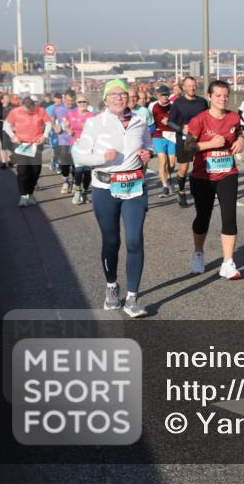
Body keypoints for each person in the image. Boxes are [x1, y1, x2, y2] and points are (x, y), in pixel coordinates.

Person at [72, 79, 153, 318]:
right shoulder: (95, 123)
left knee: (135, 240)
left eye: (123, 94)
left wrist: (147, 153)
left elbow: (147, 145)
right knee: (111, 241)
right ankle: (111, 286)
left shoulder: (140, 121)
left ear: (129, 98)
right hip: (104, 187)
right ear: (106, 99)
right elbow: (79, 155)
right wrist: (101, 157)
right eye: (114, 94)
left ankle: (132, 298)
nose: (119, 98)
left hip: (134, 187)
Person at [183, 80, 244, 279]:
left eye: (225, 95)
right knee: (203, 217)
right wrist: (209, 144)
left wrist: (242, 140)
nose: (222, 99)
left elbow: (240, 133)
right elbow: (188, 148)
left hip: (228, 173)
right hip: (203, 176)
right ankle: (198, 253)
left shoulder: (234, 117)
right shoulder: (199, 120)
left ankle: (227, 263)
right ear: (209, 97)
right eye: (218, 95)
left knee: (229, 216)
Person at [168, 76, 209, 208]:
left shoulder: (202, 102)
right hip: (184, 139)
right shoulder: (178, 103)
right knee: (184, 168)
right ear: (184, 87)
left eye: (194, 85)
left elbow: (208, 117)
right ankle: (181, 192)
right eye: (189, 86)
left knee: (200, 167)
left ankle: (200, 192)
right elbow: (170, 121)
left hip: (199, 139)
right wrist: (181, 129)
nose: (192, 88)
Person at [4, 94, 52, 207]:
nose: (29, 111)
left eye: (31, 109)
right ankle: (23, 196)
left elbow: (49, 123)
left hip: (36, 145)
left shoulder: (40, 110)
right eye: (26, 109)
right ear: (22, 106)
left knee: (35, 171)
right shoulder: (15, 112)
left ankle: (30, 194)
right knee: (23, 171)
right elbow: (6, 125)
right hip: (21, 145)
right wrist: (13, 136)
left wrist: (44, 136)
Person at [66, 94, 96, 205]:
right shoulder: (71, 114)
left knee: (87, 172)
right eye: (80, 102)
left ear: (87, 103)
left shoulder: (92, 115)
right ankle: (77, 190)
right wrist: (68, 130)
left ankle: (84, 192)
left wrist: (88, 128)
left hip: (89, 146)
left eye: (84, 102)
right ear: (76, 103)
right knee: (78, 169)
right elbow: (66, 125)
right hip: (76, 144)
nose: (82, 104)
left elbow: (96, 130)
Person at [150, 86, 178, 197]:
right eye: (162, 95)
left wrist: (170, 121)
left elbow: (178, 119)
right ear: (158, 95)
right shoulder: (153, 106)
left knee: (171, 164)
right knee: (163, 161)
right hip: (158, 135)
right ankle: (165, 185)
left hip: (171, 136)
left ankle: (169, 177)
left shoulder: (173, 106)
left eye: (166, 95)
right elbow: (149, 121)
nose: (164, 97)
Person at [51, 90, 78, 195]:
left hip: (76, 138)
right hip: (63, 138)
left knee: (75, 162)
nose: (70, 103)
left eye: (72, 101)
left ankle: (75, 182)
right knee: (64, 161)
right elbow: (52, 119)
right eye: (67, 100)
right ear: (64, 98)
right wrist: (55, 127)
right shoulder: (58, 108)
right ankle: (66, 182)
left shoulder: (78, 107)